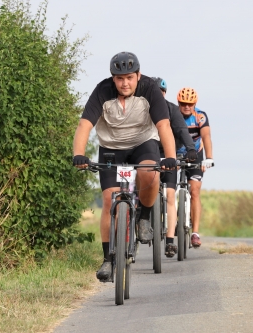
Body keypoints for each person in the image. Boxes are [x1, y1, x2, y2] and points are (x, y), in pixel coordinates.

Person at [72, 52, 177, 282]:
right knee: (109, 199)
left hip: (143, 143)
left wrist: (169, 157)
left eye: (129, 77)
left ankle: (144, 217)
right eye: (119, 78)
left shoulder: (149, 89)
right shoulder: (102, 91)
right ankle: (108, 260)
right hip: (111, 147)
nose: (125, 83)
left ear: (138, 75)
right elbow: (84, 125)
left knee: (149, 173)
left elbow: (164, 125)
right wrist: (78, 154)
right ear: (113, 78)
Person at [151, 77, 196, 258]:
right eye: (155, 92)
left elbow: (182, 130)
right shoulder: (143, 110)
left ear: (165, 93)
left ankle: (170, 240)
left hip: (169, 158)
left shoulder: (172, 110)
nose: (158, 95)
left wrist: (191, 149)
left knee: (170, 195)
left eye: (161, 92)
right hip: (150, 158)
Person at [176, 87, 214, 248]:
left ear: (195, 104)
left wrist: (209, 158)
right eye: (183, 103)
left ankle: (195, 233)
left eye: (190, 104)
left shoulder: (200, 116)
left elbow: (206, 136)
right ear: (179, 103)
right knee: (168, 188)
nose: (186, 107)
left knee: (195, 191)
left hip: (196, 155)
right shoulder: (173, 115)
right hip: (176, 154)